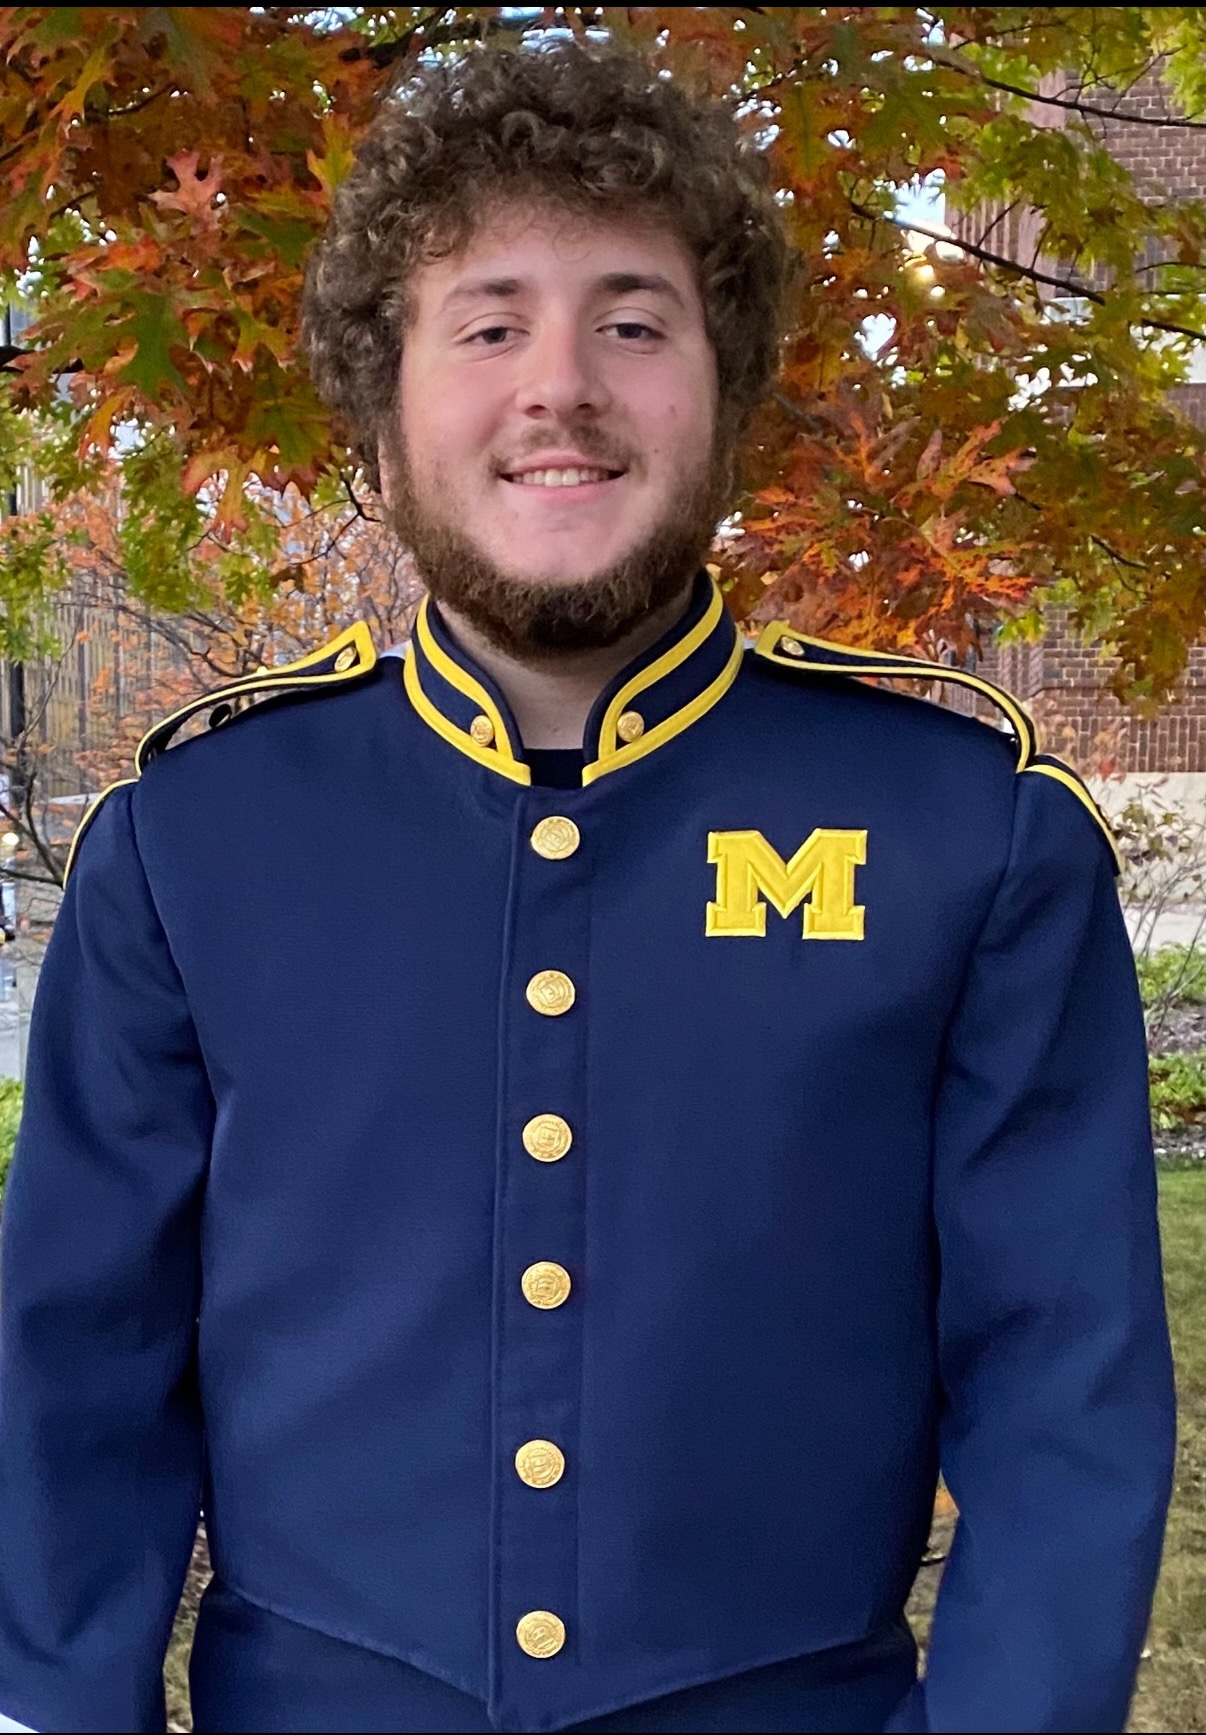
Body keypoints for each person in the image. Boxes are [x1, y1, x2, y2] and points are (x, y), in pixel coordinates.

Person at [0, 37, 1176, 1735]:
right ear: (381, 415)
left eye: (632, 320)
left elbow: (1062, 1397)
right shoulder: (190, 845)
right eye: (487, 324)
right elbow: (77, 1376)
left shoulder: (968, 838)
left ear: (727, 387)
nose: (560, 384)